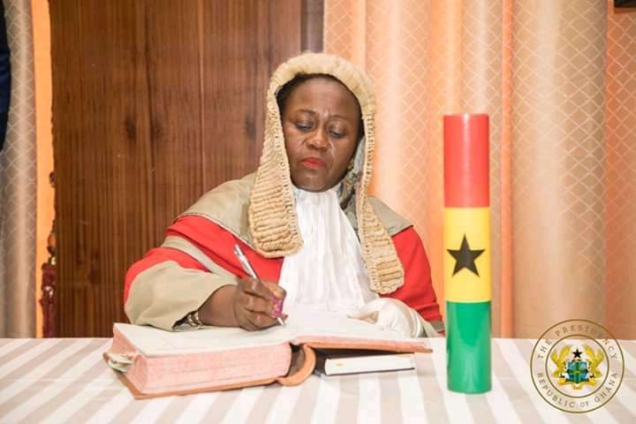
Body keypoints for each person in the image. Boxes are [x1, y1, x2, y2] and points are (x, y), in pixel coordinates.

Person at [124, 53, 443, 338]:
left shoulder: (392, 234)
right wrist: (229, 304)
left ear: (358, 147)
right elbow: (145, 285)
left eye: (337, 132)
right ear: (277, 130)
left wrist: (409, 322)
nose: (319, 141)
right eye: (303, 125)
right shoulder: (230, 208)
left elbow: (437, 337)